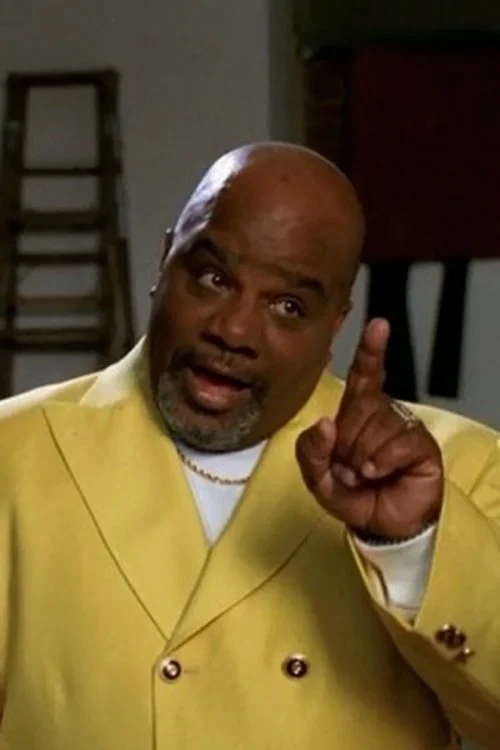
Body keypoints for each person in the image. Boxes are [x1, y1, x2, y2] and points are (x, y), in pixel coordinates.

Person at [0, 142, 498, 750]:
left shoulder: (462, 471)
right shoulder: (11, 452)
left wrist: (412, 548)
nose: (233, 330)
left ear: (336, 322)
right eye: (213, 278)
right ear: (164, 262)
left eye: (288, 306)